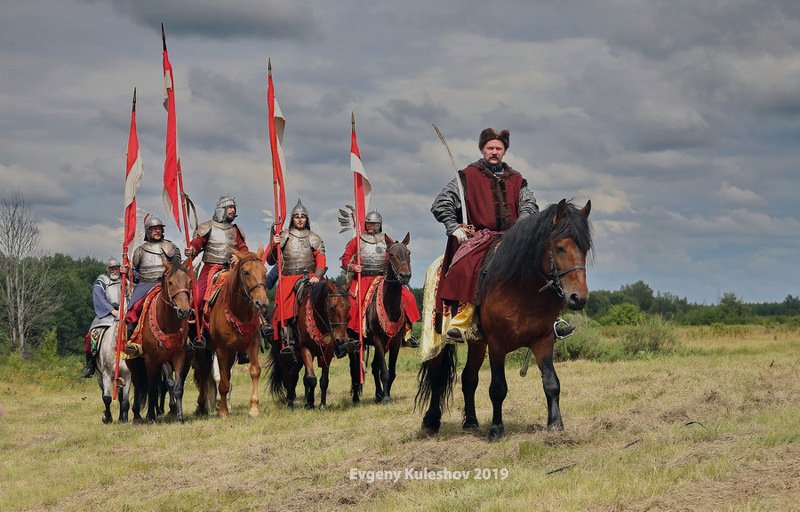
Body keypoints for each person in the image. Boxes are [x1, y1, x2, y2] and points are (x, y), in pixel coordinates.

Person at [431, 127, 573, 343]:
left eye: (498, 148)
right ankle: (464, 321)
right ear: (482, 150)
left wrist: (521, 229)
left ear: (505, 151)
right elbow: (441, 203)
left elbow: (529, 205)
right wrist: (454, 227)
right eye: (490, 148)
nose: (494, 152)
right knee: (468, 265)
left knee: (545, 262)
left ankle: (549, 321)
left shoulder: (517, 179)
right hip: (481, 237)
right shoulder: (467, 177)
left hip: (512, 237)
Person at [340, 211, 420, 350]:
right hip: (363, 278)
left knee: (408, 298)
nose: (371, 226)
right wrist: (353, 267)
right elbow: (345, 259)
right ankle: (350, 335)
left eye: (374, 224)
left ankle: (406, 332)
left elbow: (397, 253)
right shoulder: (357, 240)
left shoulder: (386, 239)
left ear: (380, 225)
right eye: (369, 223)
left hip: (383, 278)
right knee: (353, 304)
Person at [184, 195, 248, 351]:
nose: (233, 211)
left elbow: (243, 248)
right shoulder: (208, 227)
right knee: (197, 299)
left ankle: (250, 335)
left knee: (249, 296)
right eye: (230, 208)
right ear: (221, 210)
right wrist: (191, 249)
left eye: (234, 208)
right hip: (210, 269)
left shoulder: (235, 230)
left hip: (231, 270)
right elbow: (198, 243)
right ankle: (195, 337)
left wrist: (240, 257)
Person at [266, 199, 326, 359]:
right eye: (296, 216)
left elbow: (321, 259)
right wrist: (274, 244)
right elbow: (271, 260)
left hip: (309, 278)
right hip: (288, 279)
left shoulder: (314, 238)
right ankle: (288, 338)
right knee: (285, 309)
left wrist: (317, 276)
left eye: (303, 216)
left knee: (327, 304)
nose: (300, 219)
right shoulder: (283, 236)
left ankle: (330, 339)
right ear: (292, 218)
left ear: (307, 219)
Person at [122, 216, 180, 357]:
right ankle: (132, 341)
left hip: (167, 284)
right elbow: (135, 273)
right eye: (154, 229)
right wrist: (127, 271)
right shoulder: (140, 250)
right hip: (145, 284)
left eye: (159, 229)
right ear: (148, 231)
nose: (157, 231)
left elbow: (178, 269)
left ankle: (188, 339)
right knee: (133, 309)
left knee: (184, 305)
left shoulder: (171, 248)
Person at [81, 258, 123, 377]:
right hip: (105, 315)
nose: (114, 271)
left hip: (123, 313)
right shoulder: (101, 281)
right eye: (112, 269)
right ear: (108, 270)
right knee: (91, 337)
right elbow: (99, 297)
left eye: (116, 268)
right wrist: (112, 310)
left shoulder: (124, 280)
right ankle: (91, 364)